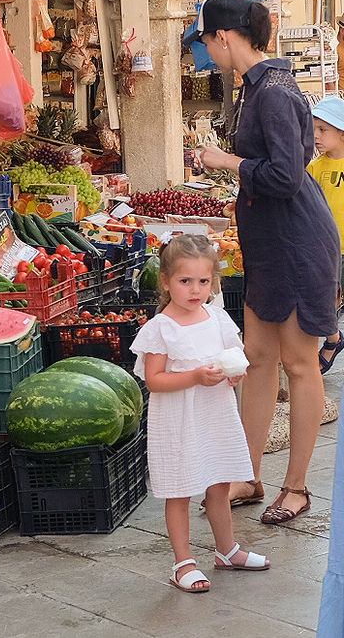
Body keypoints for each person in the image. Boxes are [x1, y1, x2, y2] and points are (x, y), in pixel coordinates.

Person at [186, 0, 340, 525]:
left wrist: (226, 160)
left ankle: (295, 487)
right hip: (270, 244)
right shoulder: (256, 88)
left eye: (206, 41)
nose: (205, 52)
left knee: (299, 364)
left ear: (224, 37)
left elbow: (285, 175)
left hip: (297, 244)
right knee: (256, 359)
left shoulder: (274, 93)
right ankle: (248, 475)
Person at [130, 234, 269, 594]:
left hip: (215, 417)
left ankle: (227, 550)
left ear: (214, 282)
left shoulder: (218, 318)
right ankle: (183, 562)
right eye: (185, 281)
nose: (195, 290)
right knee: (180, 490)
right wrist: (194, 377)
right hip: (179, 422)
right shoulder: (160, 328)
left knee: (219, 484)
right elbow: (155, 381)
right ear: (166, 282)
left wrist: (235, 373)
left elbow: (235, 360)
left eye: (203, 281)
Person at [307, 97, 344, 373]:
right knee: (326, 297)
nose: (316, 136)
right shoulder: (315, 168)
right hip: (328, 247)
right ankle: (333, 339)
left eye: (323, 130)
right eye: (314, 129)